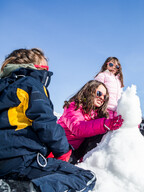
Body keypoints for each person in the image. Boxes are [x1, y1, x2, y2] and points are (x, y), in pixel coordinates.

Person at [0, 48, 96, 192]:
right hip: (21, 159)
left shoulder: (4, 86)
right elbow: (46, 124)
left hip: (5, 160)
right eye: (46, 68)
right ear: (36, 67)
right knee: (85, 178)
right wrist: (63, 152)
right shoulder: (30, 84)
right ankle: (20, 189)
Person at [57, 80, 124, 164]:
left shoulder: (97, 114)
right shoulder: (73, 106)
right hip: (61, 149)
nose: (102, 98)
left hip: (76, 151)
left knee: (104, 132)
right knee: (102, 127)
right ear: (89, 91)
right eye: (99, 93)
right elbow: (78, 128)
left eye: (105, 96)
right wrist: (105, 124)